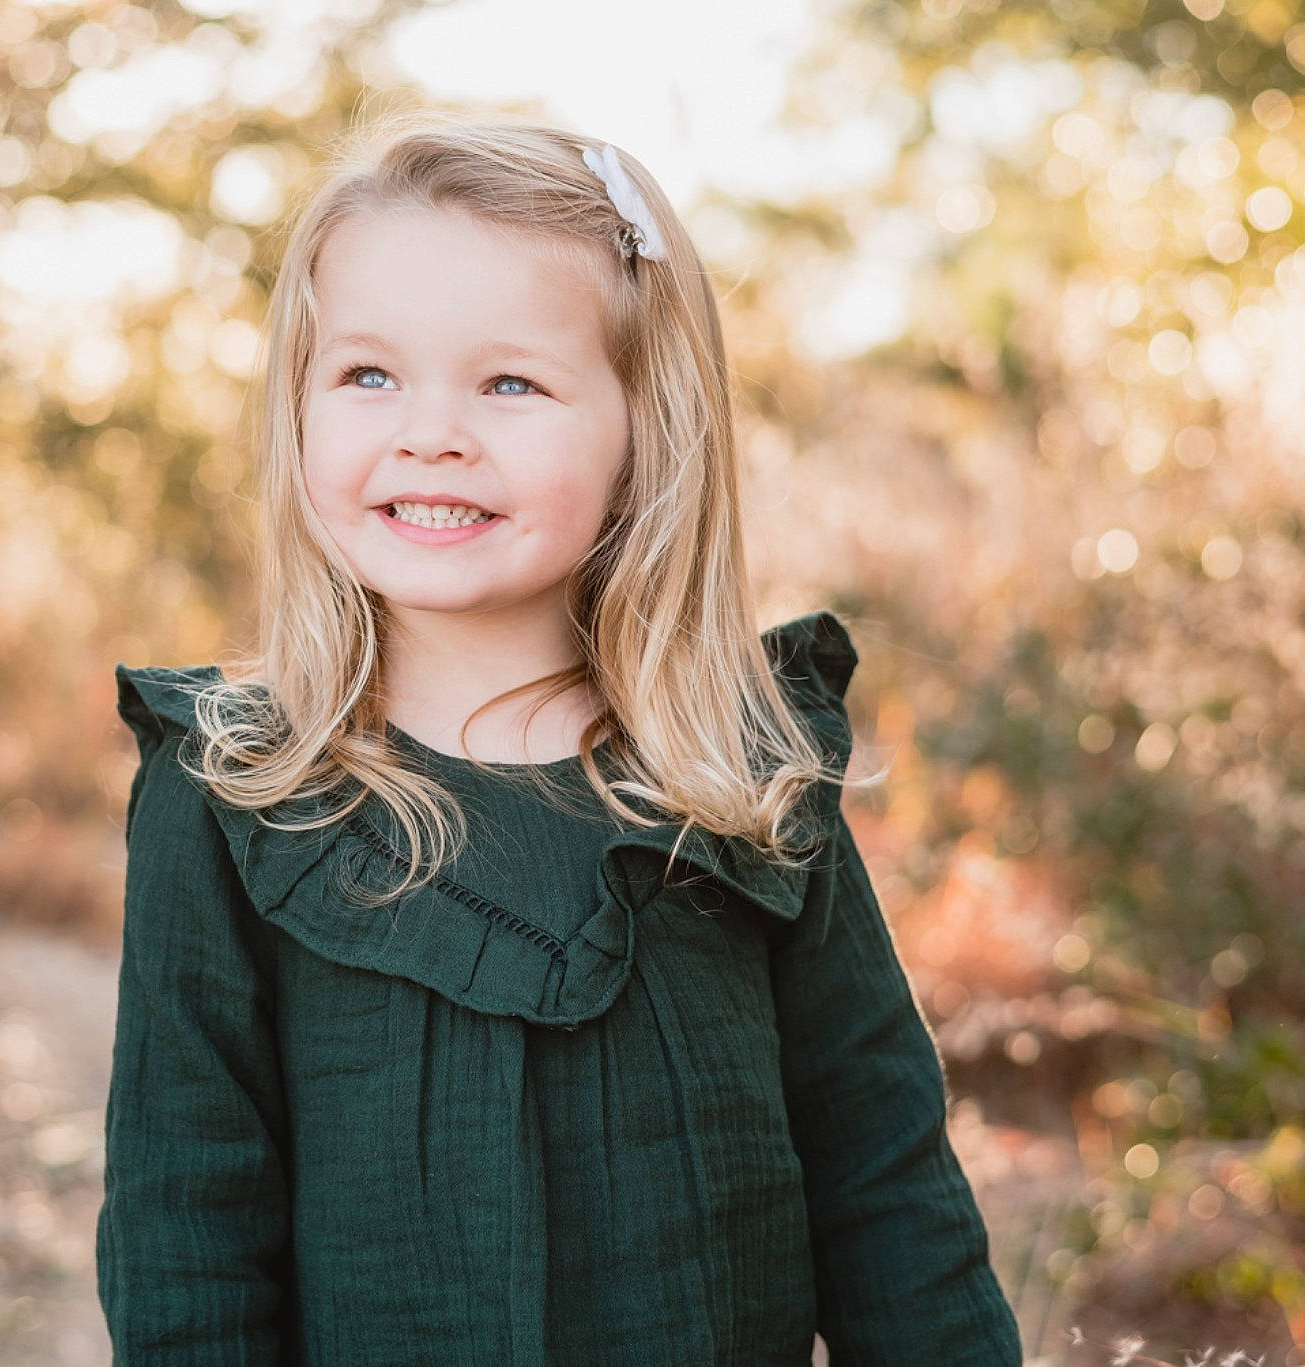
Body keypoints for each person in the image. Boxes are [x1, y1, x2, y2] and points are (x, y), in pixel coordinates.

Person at [97, 111, 1023, 1365]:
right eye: (367, 374)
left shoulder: (745, 777)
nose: (429, 430)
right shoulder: (240, 789)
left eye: (509, 382)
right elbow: (185, 1235)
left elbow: (888, 1194)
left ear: (644, 432)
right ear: (298, 408)